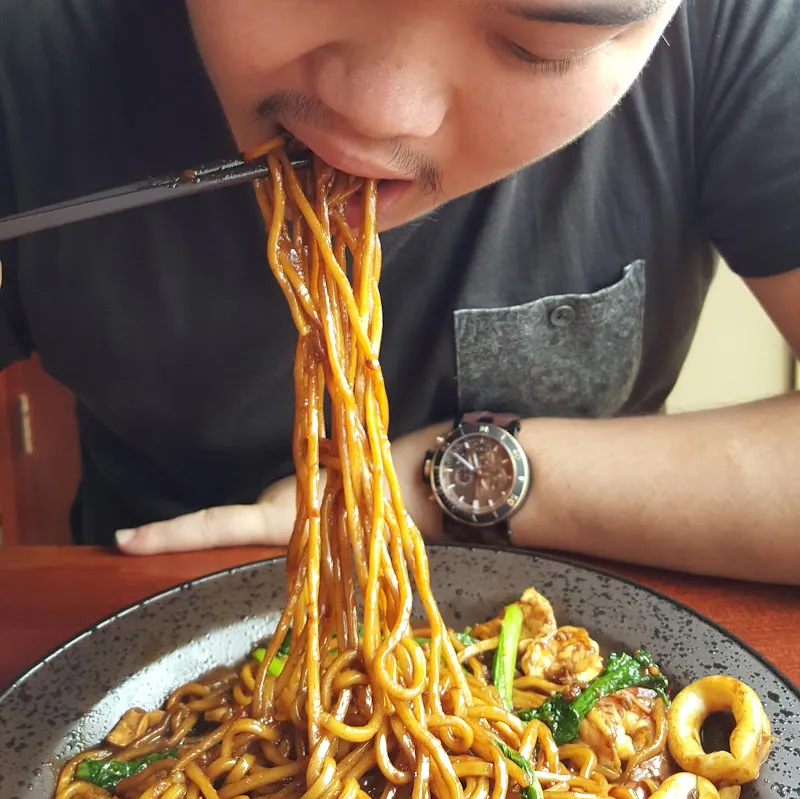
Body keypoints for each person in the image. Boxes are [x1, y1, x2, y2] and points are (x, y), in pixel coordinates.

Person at [1, 0, 798, 584]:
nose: (379, 112)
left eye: (539, 45)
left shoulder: (740, 30)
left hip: (588, 615)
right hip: (136, 616)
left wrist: (445, 479)